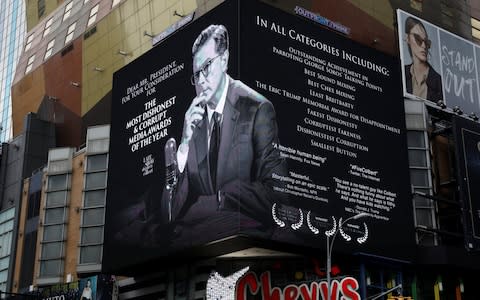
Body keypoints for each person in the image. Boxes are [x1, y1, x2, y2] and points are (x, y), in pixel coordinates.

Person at [167, 24, 288, 242]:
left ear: (224, 60)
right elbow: (170, 213)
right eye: (196, 73)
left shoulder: (257, 109)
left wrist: (220, 199)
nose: (201, 80)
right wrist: (184, 145)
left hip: (252, 240)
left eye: (207, 67)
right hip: (202, 246)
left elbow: (278, 194)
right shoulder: (192, 122)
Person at [404, 16, 443, 102]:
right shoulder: (402, 73)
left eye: (426, 42)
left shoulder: (438, 82)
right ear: (407, 39)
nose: (424, 46)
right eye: (418, 39)